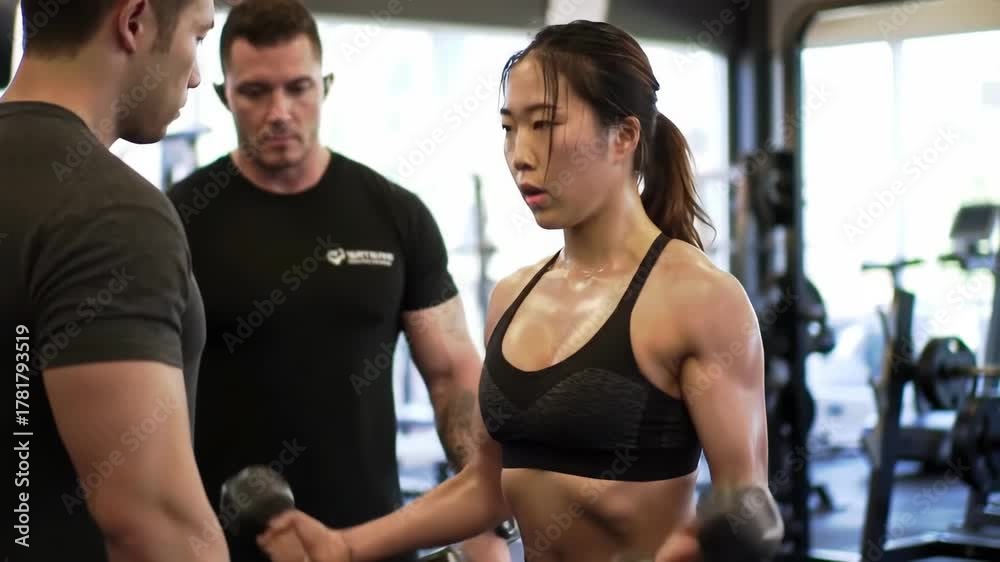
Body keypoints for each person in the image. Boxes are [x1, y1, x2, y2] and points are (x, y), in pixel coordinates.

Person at [255, 19, 783, 562]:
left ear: (624, 137)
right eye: (510, 128)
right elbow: (485, 486)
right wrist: (345, 545)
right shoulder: (513, 297)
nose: (520, 155)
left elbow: (747, 513)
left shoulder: (700, 300)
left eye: (544, 124)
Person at [165, 1, 512, 561]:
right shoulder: (178, 221)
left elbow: (453, 376)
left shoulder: (395, 215)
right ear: (225, 95)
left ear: (324, 86)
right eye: (256, 92)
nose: (280, 112)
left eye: (298, 88)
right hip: (222, 548)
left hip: (373, 544)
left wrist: (489, 526)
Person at [0, 1, 228, 562]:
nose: (196, 77)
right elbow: (156, 530)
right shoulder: (111, 215)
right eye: (198, 39)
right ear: (134, 21)